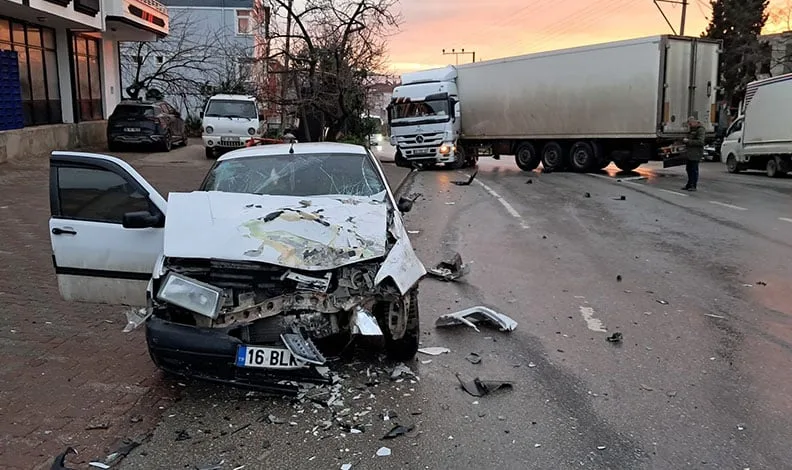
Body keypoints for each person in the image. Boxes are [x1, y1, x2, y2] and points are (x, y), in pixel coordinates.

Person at [682, 116, 705, 191]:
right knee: (689, 169)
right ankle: (689, 184)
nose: (689, 125)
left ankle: (693, 185)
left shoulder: (700, 130)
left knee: (694, 170)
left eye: (690, 123)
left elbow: (700, 142)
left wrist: (688, 141)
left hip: (696, 153)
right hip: (690, 153)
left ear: (695, 122)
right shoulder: (692, 130)